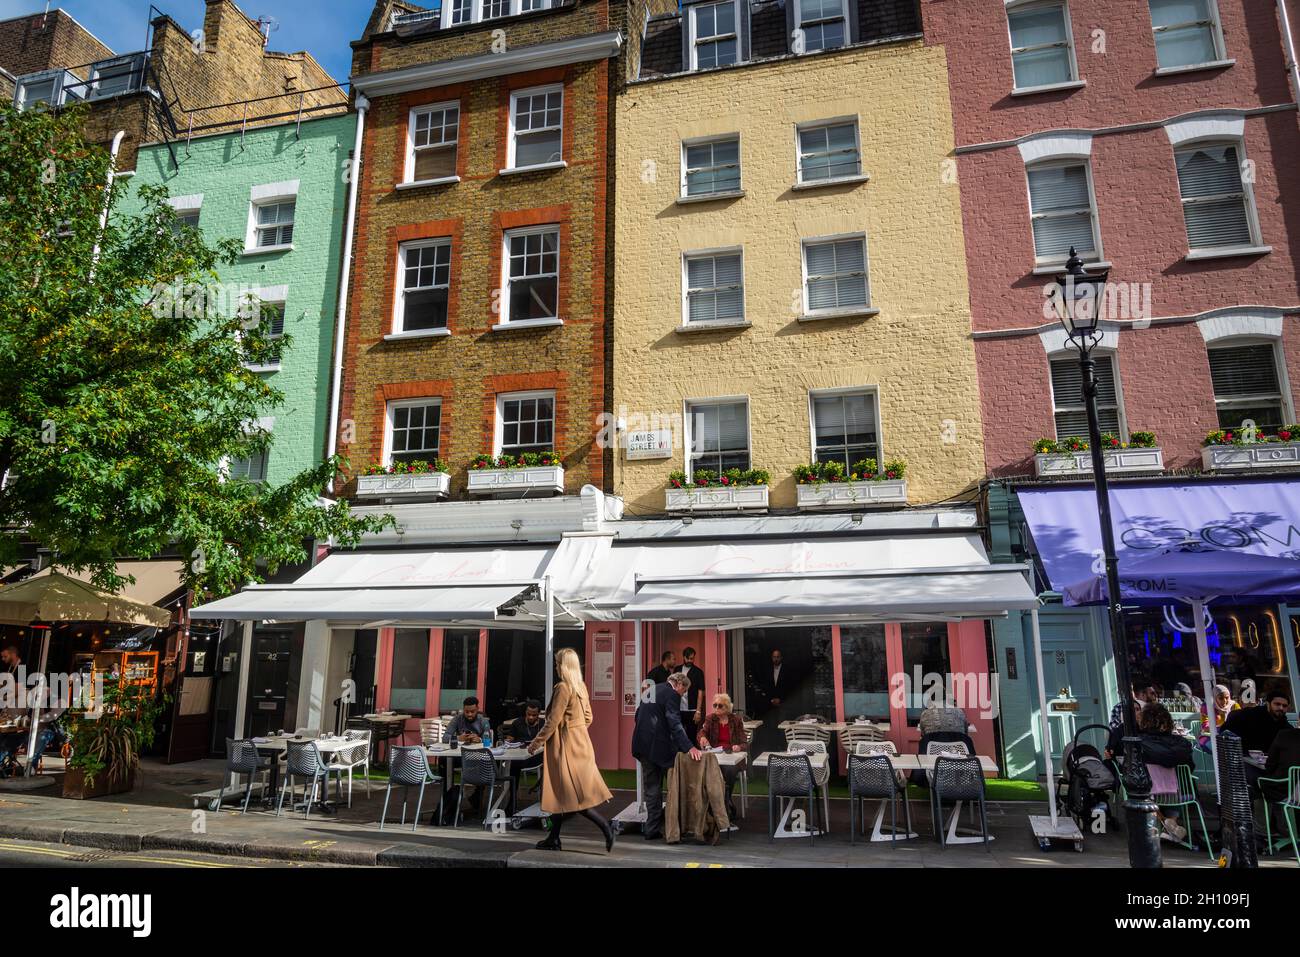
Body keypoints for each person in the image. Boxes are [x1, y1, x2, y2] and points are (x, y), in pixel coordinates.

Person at [528, 649, 614, 852]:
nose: (556, 666)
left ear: (563, 666)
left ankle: (605, 827)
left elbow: (552, 721)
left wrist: (535, 743)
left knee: (572, 796)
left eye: (557, 663)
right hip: (581, 744)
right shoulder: (580, 687)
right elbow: (588, 718)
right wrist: (576, 729)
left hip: (564, 747)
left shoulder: (563, 688)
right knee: (561, 794)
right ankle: (554, 838)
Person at [632, 671, 701, 841]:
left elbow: (638, 715)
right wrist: (689, 747)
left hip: (641, 744)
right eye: (683, 691)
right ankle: (671, 827)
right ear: (679, 684)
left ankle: (651, 828)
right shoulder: (672, 694)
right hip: (659, 748)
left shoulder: (651, 690)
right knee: (669, 787)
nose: (683, 695)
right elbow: (674, 721)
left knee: (651, 788)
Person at [1134, 703, 1195, 844]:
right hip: (1179, 795)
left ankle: (1163, 822)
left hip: (1149, 795)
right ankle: (1171, 822)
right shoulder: (1182, 743)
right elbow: (1190, 768)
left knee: (1143, 789)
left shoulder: (1139, 742)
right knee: (1178, 783)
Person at [696, 692, 747, 820]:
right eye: (715, 705)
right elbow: (702, 732)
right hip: (715, 754)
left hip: (731, 756)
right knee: (711, 768)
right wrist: (702, 738)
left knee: (728, 769)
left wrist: (739, 747)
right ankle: (718, 802)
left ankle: (726, 797)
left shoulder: (736, 720)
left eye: (720, 706)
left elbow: (744, 742)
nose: (716, 708)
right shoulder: (710, 718)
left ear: (727, 708)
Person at [504, 699, 544, 814]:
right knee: (514, 765)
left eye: (534, 715)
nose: (531, 717)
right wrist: (508, 741)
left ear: (539, 714)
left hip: (536, 757)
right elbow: (510, 739)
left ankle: (543, 798)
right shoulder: (517, 723)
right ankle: (512, 801)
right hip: (519, 757)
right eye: (529, 714)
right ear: (525, 712)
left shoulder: (543, 724)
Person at [1222, 688, 1293, 754]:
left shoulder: (1287, 728)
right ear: (1268, 704)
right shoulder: (1248, 715)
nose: (1281, 708)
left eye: (1284, 706)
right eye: (1277, 704)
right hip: (1246, 761)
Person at [677, 646, 705, 745]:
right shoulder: (677, 669)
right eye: (688, 658)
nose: (690, 660)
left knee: (691, 736)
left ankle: (692, 758)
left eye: (692, 658)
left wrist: (698, 711)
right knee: (678, 736)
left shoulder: (698, 672)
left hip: (692, 710)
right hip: (678, 709)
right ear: (683, 657)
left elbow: (700, 692)